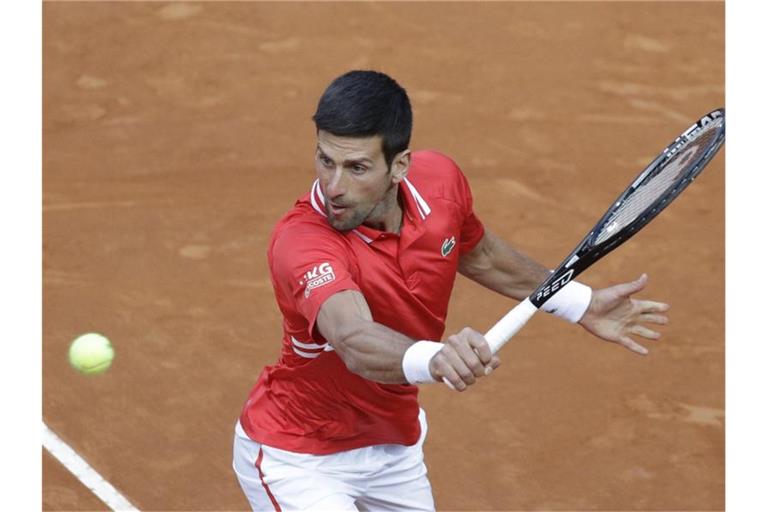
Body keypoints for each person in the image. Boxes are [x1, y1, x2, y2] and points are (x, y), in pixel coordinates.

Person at [232, 70, 669, 511]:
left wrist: (580, 302)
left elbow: (480, 255)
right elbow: (353, 339)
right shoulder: (302, 241)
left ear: (399, 165)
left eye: (357, 168)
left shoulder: (440, 182)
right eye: (326, 160)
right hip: (299, 456)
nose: (333, 186)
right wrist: (434, 357)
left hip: (392, 448)